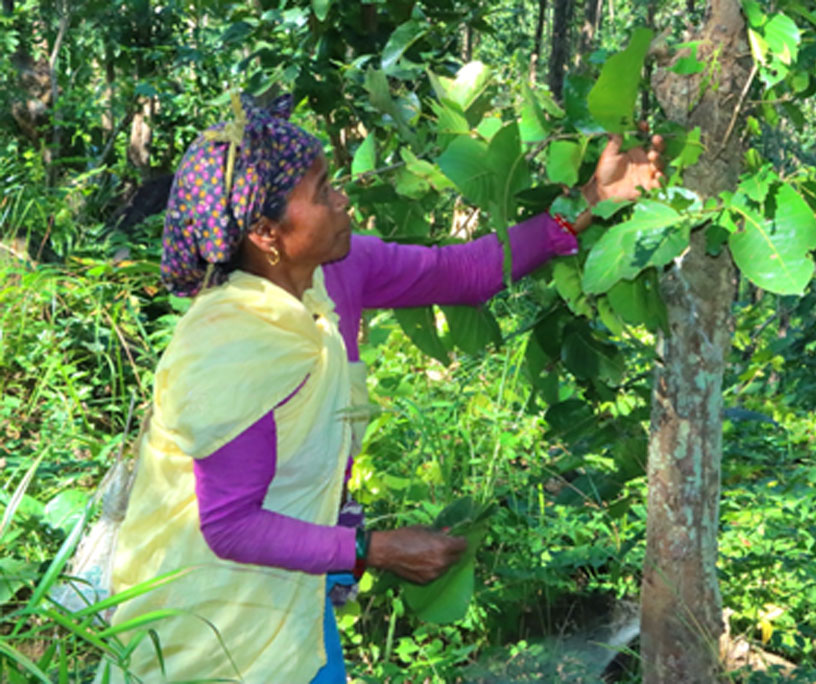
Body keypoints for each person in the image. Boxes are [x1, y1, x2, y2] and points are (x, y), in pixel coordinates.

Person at [104, 93, 664, 683]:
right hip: (213, 617)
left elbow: (465, 272)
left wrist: (593, 200)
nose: (342, 199)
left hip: (291, 591)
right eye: (321, 192)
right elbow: (229, 525)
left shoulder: (334, 272)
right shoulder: (229, 344)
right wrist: (374, 549)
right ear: (267, 232)